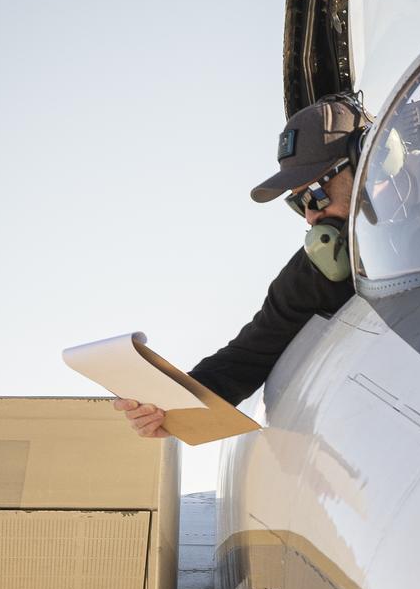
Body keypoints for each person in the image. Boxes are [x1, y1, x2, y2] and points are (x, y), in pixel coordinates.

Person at [117, 95, 365, 438]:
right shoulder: (313, 273)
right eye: (298, 203)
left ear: (365, 160)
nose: (310, 216)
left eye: (315, 195)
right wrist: (169, 409)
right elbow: (249, 354)